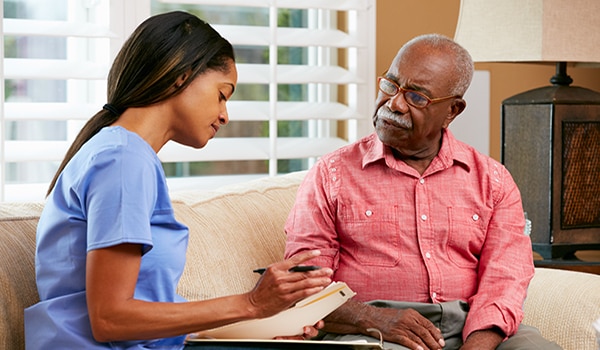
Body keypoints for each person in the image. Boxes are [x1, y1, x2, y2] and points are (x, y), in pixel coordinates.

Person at [24, 11, 332, 350]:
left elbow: (143, 317)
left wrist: (261, 323)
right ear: (180, 77)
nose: (225, 115)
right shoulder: (123, 161)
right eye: (222, 94)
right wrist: (252, 303)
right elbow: (110, 318)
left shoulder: (124, 155)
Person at [284, 34, 561, 350]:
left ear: (452, 111)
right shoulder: (332, 174)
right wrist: (374, 319)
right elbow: (304, 284)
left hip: (473, 328)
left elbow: (505, 280)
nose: (394, 104)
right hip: (373, 330)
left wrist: (477, 345)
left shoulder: (493, 181)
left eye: (416, 97)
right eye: (390, 86)